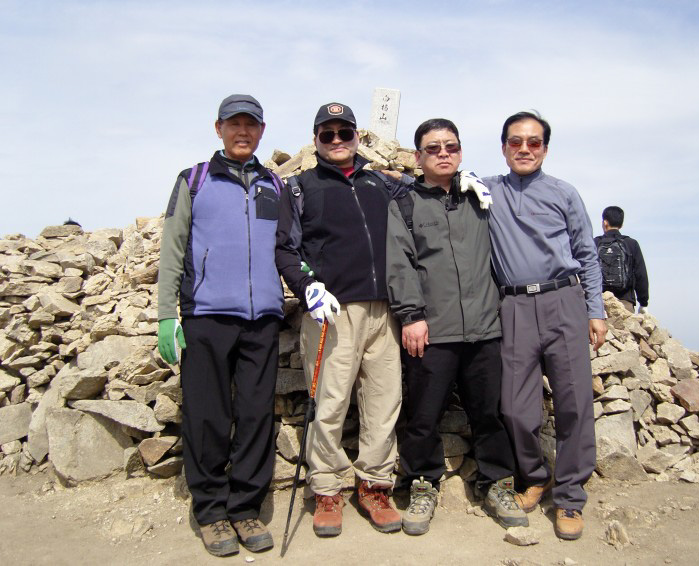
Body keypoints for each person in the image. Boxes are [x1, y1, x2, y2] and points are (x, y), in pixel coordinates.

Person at [385, 118, 526, 536]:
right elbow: (399, 263)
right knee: (423, 416)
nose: (443, 153)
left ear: (461, 152)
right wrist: (411, 315)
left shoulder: (479, 198)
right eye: (433, 148)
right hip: (433, 331)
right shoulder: (405, 205)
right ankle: (422, 485)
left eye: (451, 146)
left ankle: (497, 483)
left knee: (489, 413)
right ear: (418, 157)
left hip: (485, 327)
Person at [275, 102, 409, 537]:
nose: (336, 140)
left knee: (384, 401)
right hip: (332, 311)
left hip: (384, 310)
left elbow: (424, 197)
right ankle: (327, 489)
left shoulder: (379, 183)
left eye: (344, 132)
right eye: (327, 134)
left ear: (356, 136)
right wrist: (307, 286)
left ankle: (375, 485)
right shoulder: (300, 188)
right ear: (315, 139)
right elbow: (285, 248)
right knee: (329, 403)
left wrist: (463, 181)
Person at [157, 94, 282, 557]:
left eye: (251, 125)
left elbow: (288, 245)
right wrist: (165, 315)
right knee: (207, 415)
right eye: (234, 124)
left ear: (262, 131)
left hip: (262, 318)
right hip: (206, 315)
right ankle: (210, 511)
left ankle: (246, 507)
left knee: (255, 415)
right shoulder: (194, 180)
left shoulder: (274, 183)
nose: (242, 132)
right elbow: (173, 248)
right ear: (218, 128)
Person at [483, 111, 607, 541]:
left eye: (533, 142)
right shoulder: (486, 191)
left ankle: (570, 496)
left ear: (545, 149)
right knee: (515, 407)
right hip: (514, 305)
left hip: (563, 301)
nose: (524, 149)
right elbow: (435, 181)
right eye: (515, 141)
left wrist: (596, 310)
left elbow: (587, 255)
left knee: (574, 402)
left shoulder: (563, 193)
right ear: (503, 148)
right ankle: (535, 476)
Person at [594, 206, 649, 313]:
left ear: (605, 222)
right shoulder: (631, 244)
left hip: (599, 303)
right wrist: (643, 303)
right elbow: (641, 275)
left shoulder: (595, 243)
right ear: (621, 224)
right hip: (625, 302)